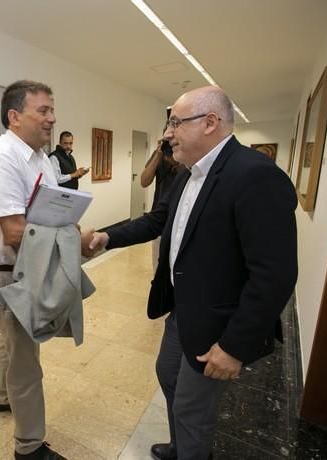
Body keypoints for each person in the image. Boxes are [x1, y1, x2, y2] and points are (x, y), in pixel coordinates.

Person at [82, 86, 298, 460]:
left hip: (220, 324)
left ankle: (192, 449)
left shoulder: (255, 175)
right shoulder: (188, 174)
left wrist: (234, 348)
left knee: (191, 409)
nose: (167, 133)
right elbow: (157, 220)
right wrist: (105, 236)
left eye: (176, 123)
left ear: (211, 123)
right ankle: (182, 445)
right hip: (183, 312)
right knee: (168, 374)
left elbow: (274, 275)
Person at [0, 80, 66, 460]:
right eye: (42, 111)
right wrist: (70, 244)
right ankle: (29, 447)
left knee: (10, 340)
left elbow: (52, 212)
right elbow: (14, 232)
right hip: (5, 271)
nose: (52, 118)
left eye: (51, 110)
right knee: (27, 360)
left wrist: (69, 227)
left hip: (27, 266)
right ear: (14, 116)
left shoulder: (40, 158)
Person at [140, 127, 186, 269]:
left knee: (178, 266)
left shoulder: (186, 155)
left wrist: (175, 162)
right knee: (158, 266)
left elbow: (188, 178)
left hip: (181, 218)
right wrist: (158, 155)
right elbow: (144, 181)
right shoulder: (158, 154)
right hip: (160, 217)